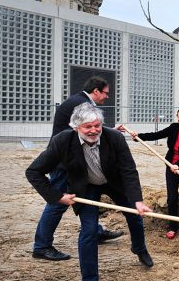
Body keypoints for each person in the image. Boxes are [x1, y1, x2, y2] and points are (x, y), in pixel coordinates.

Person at [26, 103, 154, 281]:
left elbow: (128, 170)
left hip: (113, 182)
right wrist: (57, 196)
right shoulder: (62, 141)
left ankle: (139, 248)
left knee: (136, 216)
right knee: (89, 230)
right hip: (86, 188)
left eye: (97, 125)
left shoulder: (114, 138)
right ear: (76, 126)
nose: (94, 130)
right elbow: (33, 171)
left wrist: (137, 200)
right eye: (88, 127)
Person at [32, 76, 122, 262]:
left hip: (70, 160)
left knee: (88, 196)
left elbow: (90, 130)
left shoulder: (79, 101)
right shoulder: (80, 104)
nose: (106, 97)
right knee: (58, 202)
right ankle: (41, 246)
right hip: (63, 162)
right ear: (96, 91)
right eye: (105, 93)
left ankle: (95, 232)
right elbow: (83, 130)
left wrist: (111, 130)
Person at [120, 108, 179, 240]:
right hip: (170, 167)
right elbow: (157, 135)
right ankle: (173, 226)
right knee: (172, 197)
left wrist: (178, 165)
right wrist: (139, 136)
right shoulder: (174, 127)